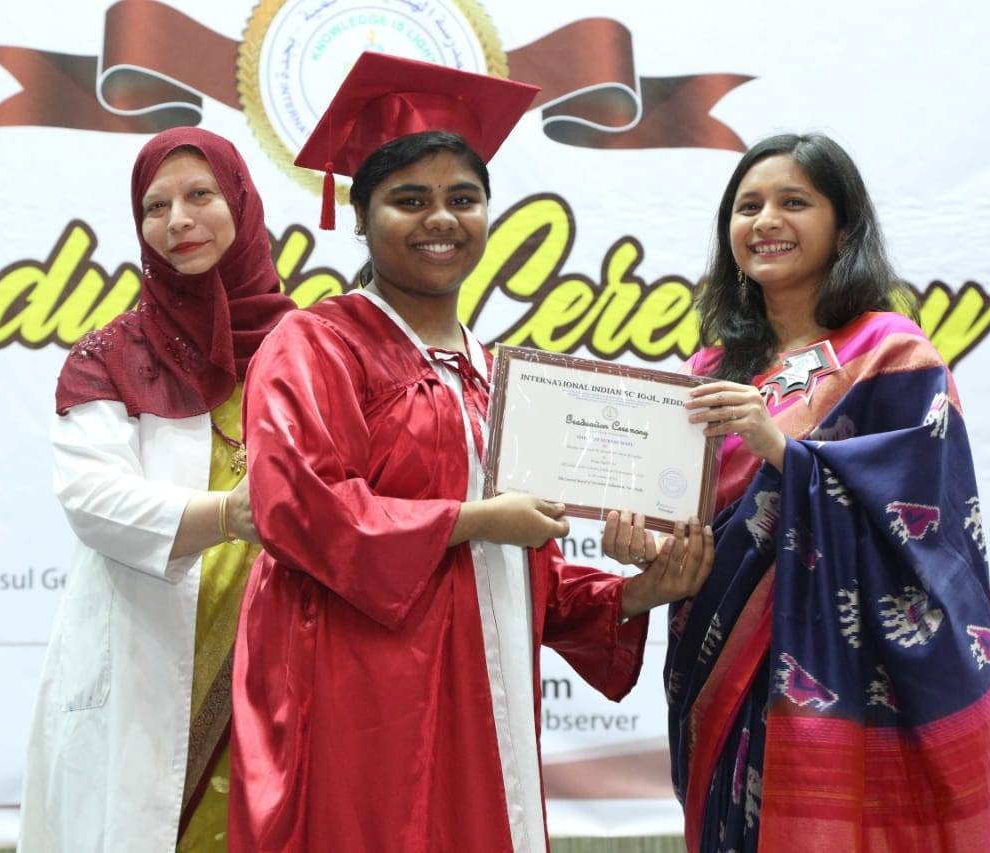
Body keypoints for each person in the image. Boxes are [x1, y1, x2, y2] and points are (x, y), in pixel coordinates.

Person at [227, 53, 715, 852]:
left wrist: (633, 592)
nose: (441, 219)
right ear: (361, 215)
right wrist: (475, 516)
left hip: (480, 693)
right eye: (408, 200)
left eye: (464, 198)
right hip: (354, 683)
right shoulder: (315, 344)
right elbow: (301, 506)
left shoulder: (498, 374)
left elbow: (521, 573)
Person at [669, 132, 990, 851]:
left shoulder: (892, 351)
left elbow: (930, 523)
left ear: (842, 225)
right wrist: (645, 536)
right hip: (723, 670)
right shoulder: (713, 366)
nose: (765, 221)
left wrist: (783, 451)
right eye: (747, 205)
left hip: (850, 679)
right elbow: (696, 513)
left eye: (794, 202)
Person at [18, 128, 295, 852]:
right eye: (155, 205)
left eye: (200, 194)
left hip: (289, 669)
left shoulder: (310, 348)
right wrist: (232, 515)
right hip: (148, 667)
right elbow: (91, 498)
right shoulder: (110, 356)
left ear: (241, 202)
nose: (177, 221)